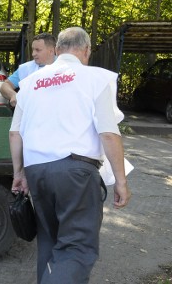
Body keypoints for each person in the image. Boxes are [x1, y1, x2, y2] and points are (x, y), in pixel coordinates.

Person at [9, 27, 131, 283]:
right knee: (77, 247)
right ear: (86, 50)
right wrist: (120, 180)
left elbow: (15, 133)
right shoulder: (96, 79)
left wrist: (19, 173)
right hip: (75, 173)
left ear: (59, 49)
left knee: (50, 243)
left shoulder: (30, 83)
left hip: (37, 172)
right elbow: (108, 133)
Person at [0, 32, 57, 107]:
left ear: (51, 51)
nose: (33, 54)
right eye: (33, 50)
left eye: (38, 50)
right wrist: (13, 95)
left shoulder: (66, 68)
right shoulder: (26, 68)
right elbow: (5, 86)